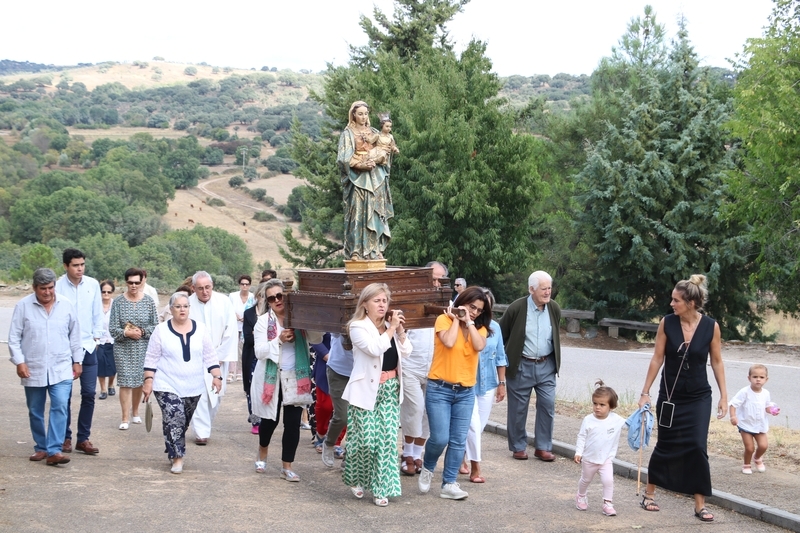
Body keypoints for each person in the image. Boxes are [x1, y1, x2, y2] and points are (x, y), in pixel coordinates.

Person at [637, 274, 728, 523]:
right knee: (666, 444)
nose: (671, 304)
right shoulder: (667, 323)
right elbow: (657, 358)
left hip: (699, 396)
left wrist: (724, 397)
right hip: (670, 396)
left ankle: (700, 505)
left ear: (690, 303)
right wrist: (645, 392)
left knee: (698, 448)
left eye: (676, 300)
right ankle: (649, 494)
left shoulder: (711, 326)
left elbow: (717, 362)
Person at [342, 283, 411, 507]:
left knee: (387, 442)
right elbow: (374, 348)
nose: (382, 305)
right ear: (365, 304)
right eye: (377, 301)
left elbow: (407, 351)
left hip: (390, 389)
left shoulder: (391, 327)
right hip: (365, 391)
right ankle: (356, 478)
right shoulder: (357, 326)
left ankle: (381, 489)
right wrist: (391, 329)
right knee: (365, 442)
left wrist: (399, 331)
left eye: (384, 301)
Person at [419, 286, 491, 501]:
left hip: (466, 391)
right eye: (471, 307)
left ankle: (449, 483)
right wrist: (457, 320)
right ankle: (428, 467)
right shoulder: (444, 321)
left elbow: (479, 346)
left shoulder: (481, 329)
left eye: (479, 309)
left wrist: (469, 321)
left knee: (459, 440)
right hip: (439, 388)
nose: (475, 312)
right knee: (440, 438)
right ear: (462, 302)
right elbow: (449, 342)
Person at [9, 268, 82, 466]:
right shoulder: (23, 306)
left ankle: (54, 450)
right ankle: (41, 446)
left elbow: (75, 335)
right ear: (34, 288)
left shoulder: (66, 305)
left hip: (61, 366)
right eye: (43, 289)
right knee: (35, 409)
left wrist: (77, 360)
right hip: (33, 367)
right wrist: (20, 361)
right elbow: (14, 338)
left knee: (59, 406)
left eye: (50, 288)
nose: (47, 292)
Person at [142, 293, 222, 474]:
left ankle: (171, 446)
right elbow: (152, 358)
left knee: (180, 422)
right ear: (171, 309)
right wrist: (148, 381)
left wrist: (216, 376)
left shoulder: (200, 329)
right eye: (178, 306)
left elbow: (209, 355)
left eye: (185, 306)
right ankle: (178, 458)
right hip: (166, 383)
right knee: (175, 417)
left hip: (193, 385)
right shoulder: (160, 330)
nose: (182, 309)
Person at [251, 279, 322, 481]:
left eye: (280, 296)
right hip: (272, 377)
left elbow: (316, 338)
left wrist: (310, 320)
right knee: (269, 422)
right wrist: (279, 340)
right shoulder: (264, 322)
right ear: (268, 301)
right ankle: (263, 450)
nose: (277, 300)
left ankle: (287, 466)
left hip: (296, 376)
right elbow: (259, 352)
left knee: (292, 424)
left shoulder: (298, 317)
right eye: (272, 298)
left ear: (287, 295)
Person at [499, 271, 562, 461]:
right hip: (521, 365)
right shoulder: (516, 308)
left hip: (546, 364)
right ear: (531, 289)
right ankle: (518, 446)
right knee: (518, 408)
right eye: (543, 288)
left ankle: (543, 447)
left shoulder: (554, 308)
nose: (547, 292)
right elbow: (502, 335)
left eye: (549, 288)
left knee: (547, 404)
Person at [400, 260, 448, 476]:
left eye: (439, 279)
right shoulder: (410, 301)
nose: (436, 283)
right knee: (414, 408)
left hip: (435, 368)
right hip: (410, 365)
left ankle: (418, 454)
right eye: (433, 279)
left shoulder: (447, 304)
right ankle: (407, 453)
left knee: (429, 412)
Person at [55, 248, 104, 456]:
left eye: (82, 264)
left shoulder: (92, 284)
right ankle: (65, 437)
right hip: (64, 348)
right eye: (75, 265)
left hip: (88, 346)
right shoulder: (57, 286)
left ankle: (83, 439)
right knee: (63, 395)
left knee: (89, 394)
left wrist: (97, 336)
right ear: (66, 266)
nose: (80, 269)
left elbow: (97, 312)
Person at [337, 100, 393, 260]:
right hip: (357, 179)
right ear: (353, 114)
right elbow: (343, 158)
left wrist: (381, 157)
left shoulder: (375, 131)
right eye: (360, 114)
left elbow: (384, 149)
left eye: (366, 114)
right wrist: (361, 164)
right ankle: (356, 251)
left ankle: (375, 249)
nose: (363, 117)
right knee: (358, 213)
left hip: (376, 177)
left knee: (376, 212)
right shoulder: (348, 134)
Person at [462, 288, 507, 483]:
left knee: (478, 427)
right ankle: (475, 467)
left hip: (488, 382)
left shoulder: (495, 328)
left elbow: (501, 357)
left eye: (484, 306)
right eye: (477, 306)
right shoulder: (464, 326)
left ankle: (461, 457)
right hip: (467, 382)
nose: (479, 310)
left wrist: (502, 383)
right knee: (472, 424)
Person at [188, 271, 237, 445]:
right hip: (195, 359)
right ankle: (201, 433)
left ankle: (205, 425)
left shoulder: (223, 302)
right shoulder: (187, 304)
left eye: (207, 287)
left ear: (212, 286)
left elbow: (230, 331)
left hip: (219, 357)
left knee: (216, 395)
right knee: (199, 394)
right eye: (200, 288)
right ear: (193, 288)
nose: (204, 291)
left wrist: (220, 356)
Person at [109, 267, 158, 430]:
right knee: (125, 381)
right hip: (123, 347)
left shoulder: (149, 301)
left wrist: (142, 331)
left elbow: (155, 326)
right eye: (131, 282)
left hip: (143, 346)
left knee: (139, 381)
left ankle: (135, 412)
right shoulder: (117, 302)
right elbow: (113, 328)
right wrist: (127, 333)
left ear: (142, 281)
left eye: (137, 282)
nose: (134, 285)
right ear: (126, 283)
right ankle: (124, 418)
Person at [574, 380, 626, 517]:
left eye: (602, 405)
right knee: (586, 479)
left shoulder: (617, 420)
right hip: (589, 458)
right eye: (595, 403)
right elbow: (581, 437)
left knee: (608, 480)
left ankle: (607, 503)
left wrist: (642, 416)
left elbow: (631, 424)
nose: (597, 407)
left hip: (606, 459)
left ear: (611, 406)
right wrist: (579, 452)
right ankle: (581, 495)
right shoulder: (588, 420)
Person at [729, 364, 780, 474]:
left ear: (766, 379)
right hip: (746, 424)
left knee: (763, 445)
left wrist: (772, 410)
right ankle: (746, 465)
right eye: (755, 377)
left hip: (760, 424)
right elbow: (733, 404)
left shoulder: (766, 393)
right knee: (749, 448)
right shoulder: (745, 392)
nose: (758, 380)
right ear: (749, 378)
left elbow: (766, 406)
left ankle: (757, 458)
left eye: (761, 377)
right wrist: (733, 416)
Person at [321, 333, 353, 468]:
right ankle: (329, 442)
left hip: (362, 371)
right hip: (339, 370)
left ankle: (350, 457)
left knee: (358, 418)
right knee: (342, 416)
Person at [242, 282, 265, 435]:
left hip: (265, 357)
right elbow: (248, 338)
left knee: (265, 389)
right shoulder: (249, 313)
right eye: (262, 296)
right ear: (257, 297)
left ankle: (266, 419)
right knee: (252, 389)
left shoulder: (272, 315)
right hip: (251, 356)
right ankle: (255, 420)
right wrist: (264, 338)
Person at [229, 274, 256, 383]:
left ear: (249, 285)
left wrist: (247, 319)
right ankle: (231, 372)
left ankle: (240, 371)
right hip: (234, 325)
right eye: (242, 284)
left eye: (247, 284)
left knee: (242, 349)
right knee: (232, 347)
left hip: (246, 327)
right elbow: (229, 309)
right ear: (239, 285)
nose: (244, 286)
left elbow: (254, 311)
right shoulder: (232, 296)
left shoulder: (253, 297)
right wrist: (235, 315)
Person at [97, 280, 117, 400]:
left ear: (112, 292)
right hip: (99, 340)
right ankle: (103, 388)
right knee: (100, 363)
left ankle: (111, 384)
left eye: (108, 292)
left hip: (113, 339)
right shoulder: (96, 305)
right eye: (104, 291)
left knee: (113, 365)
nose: (106, 294)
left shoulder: (116, 305)